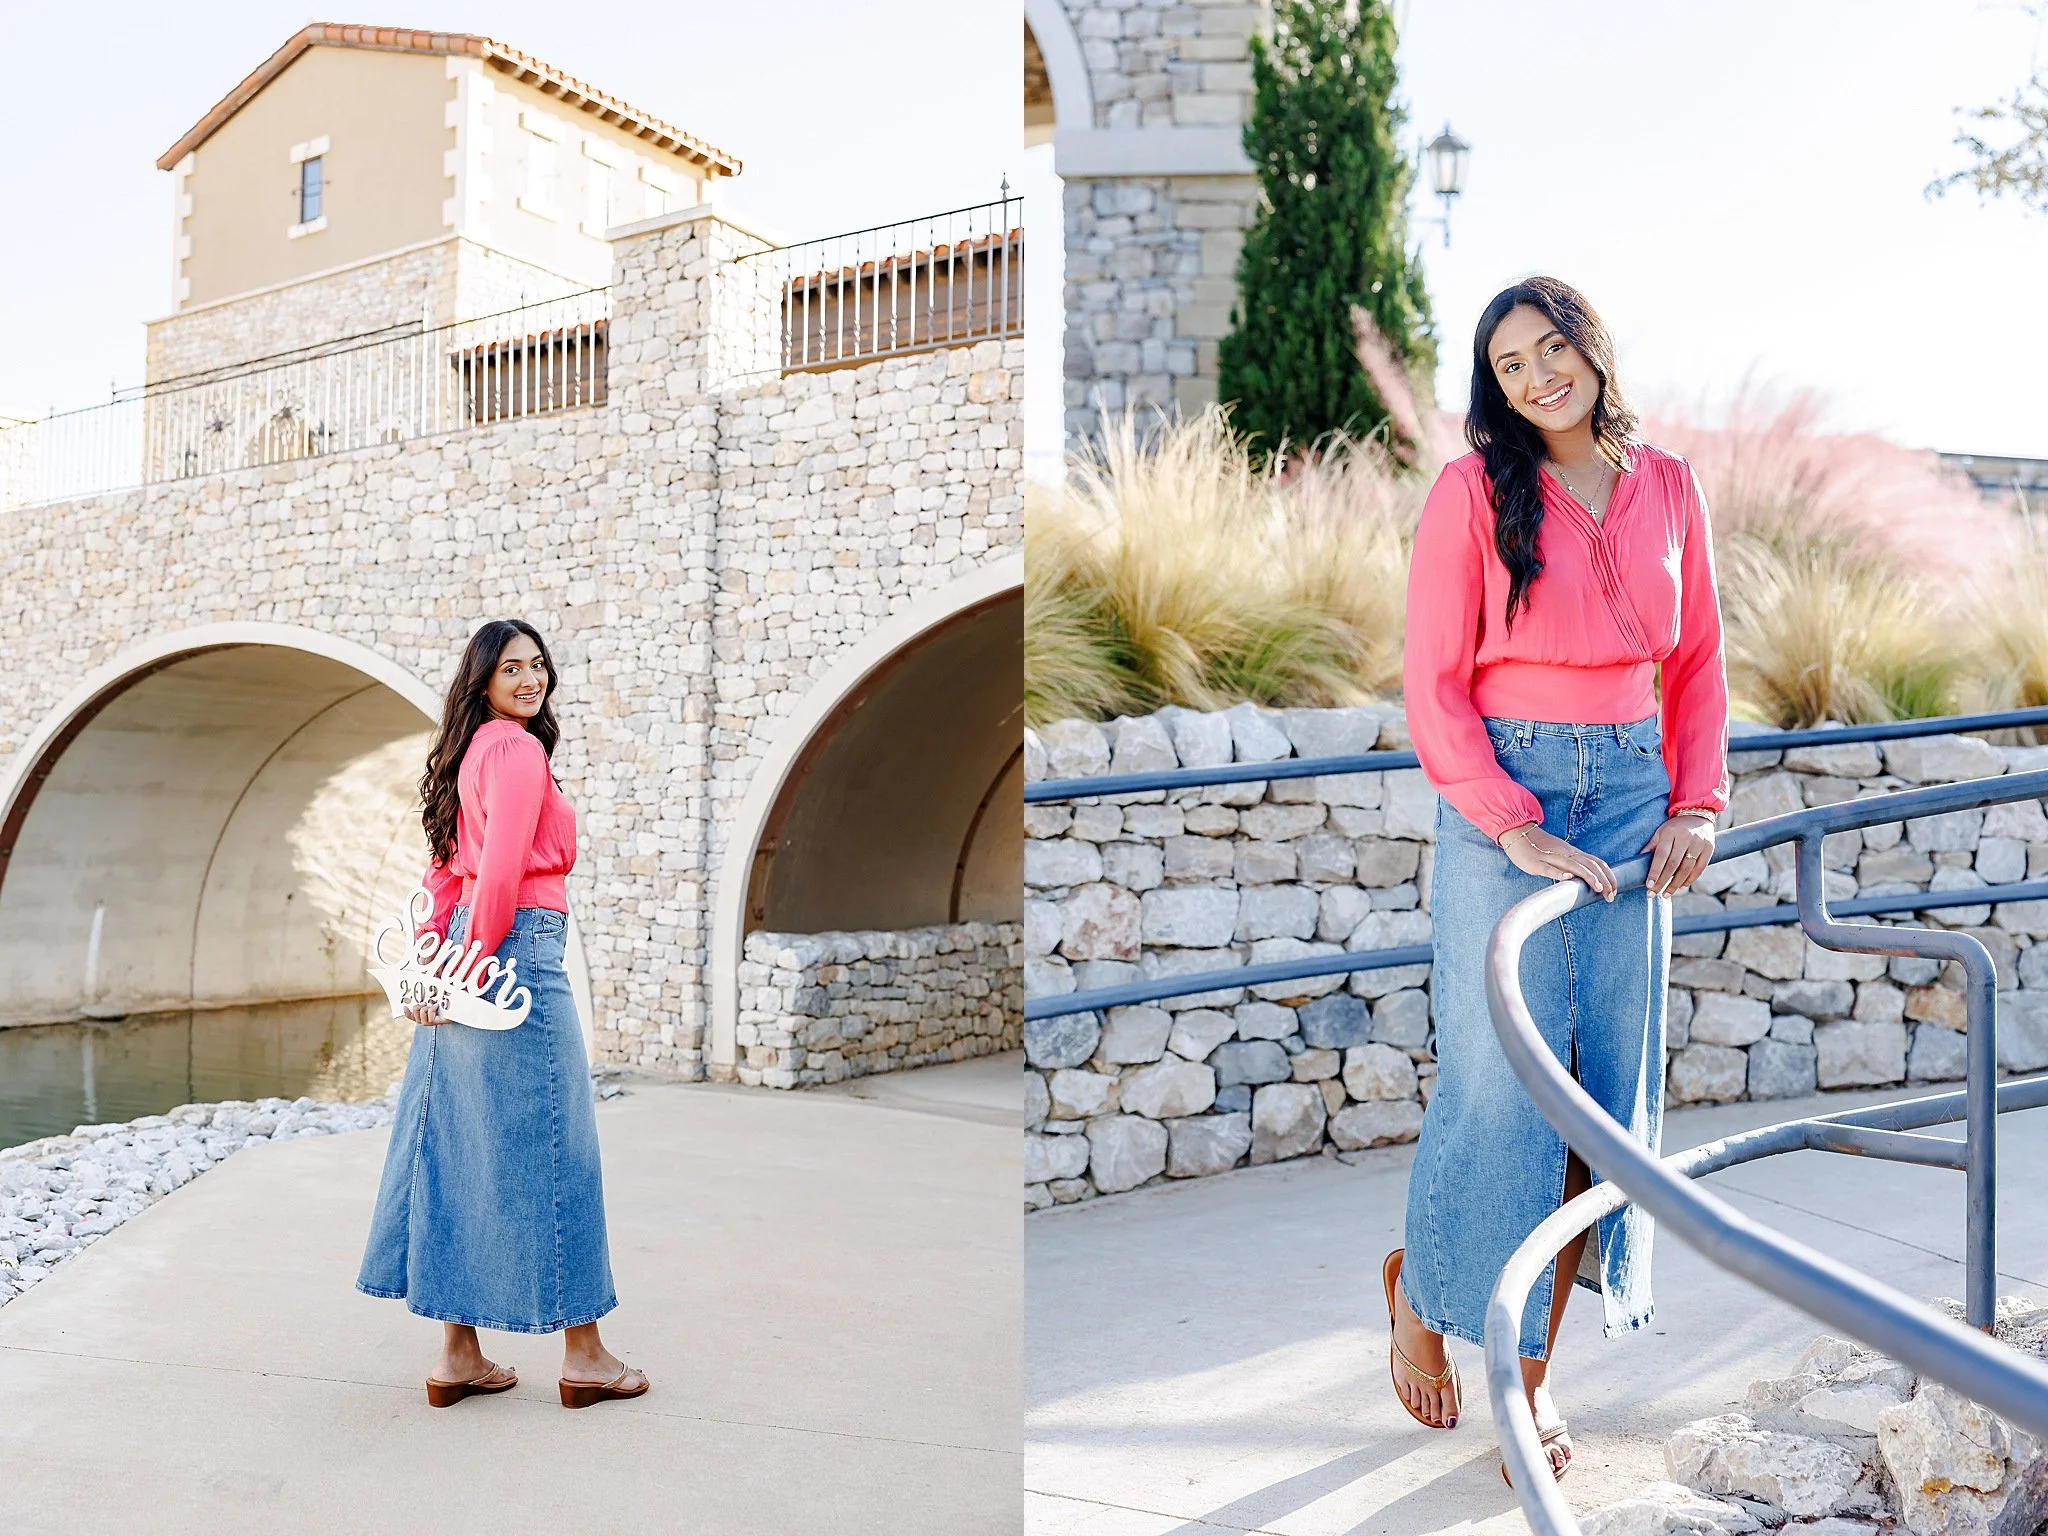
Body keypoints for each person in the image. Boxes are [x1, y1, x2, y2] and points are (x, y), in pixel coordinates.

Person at [1384, 276, 1730, 1483]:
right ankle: (1427, 1286)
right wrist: (1504, 820)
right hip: (1506, 789)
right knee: (1496, 1084)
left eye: (1551, 347)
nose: (1536, 376)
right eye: (1509, 363)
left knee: (1598, 1097)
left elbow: (1693, 668)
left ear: (1590, 348)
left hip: (1636, 796)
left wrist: (1694, 802)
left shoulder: (1670, 486)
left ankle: (1521, 1385)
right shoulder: (1471, 491)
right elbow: (1431, 681)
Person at [357, 618, 648, 1410]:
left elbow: (446, 873)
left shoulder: (471, 751)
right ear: (482, 679)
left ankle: (458, 1355)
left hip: (468, 949)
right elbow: (500, 875)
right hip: (512, 954)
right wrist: (472, 970)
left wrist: (434, 961)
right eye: (512, 667)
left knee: (452, 1140)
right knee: (559, 1145)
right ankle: (585, 1357)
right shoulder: (518, 752)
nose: (530, 678)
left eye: (538, 664)